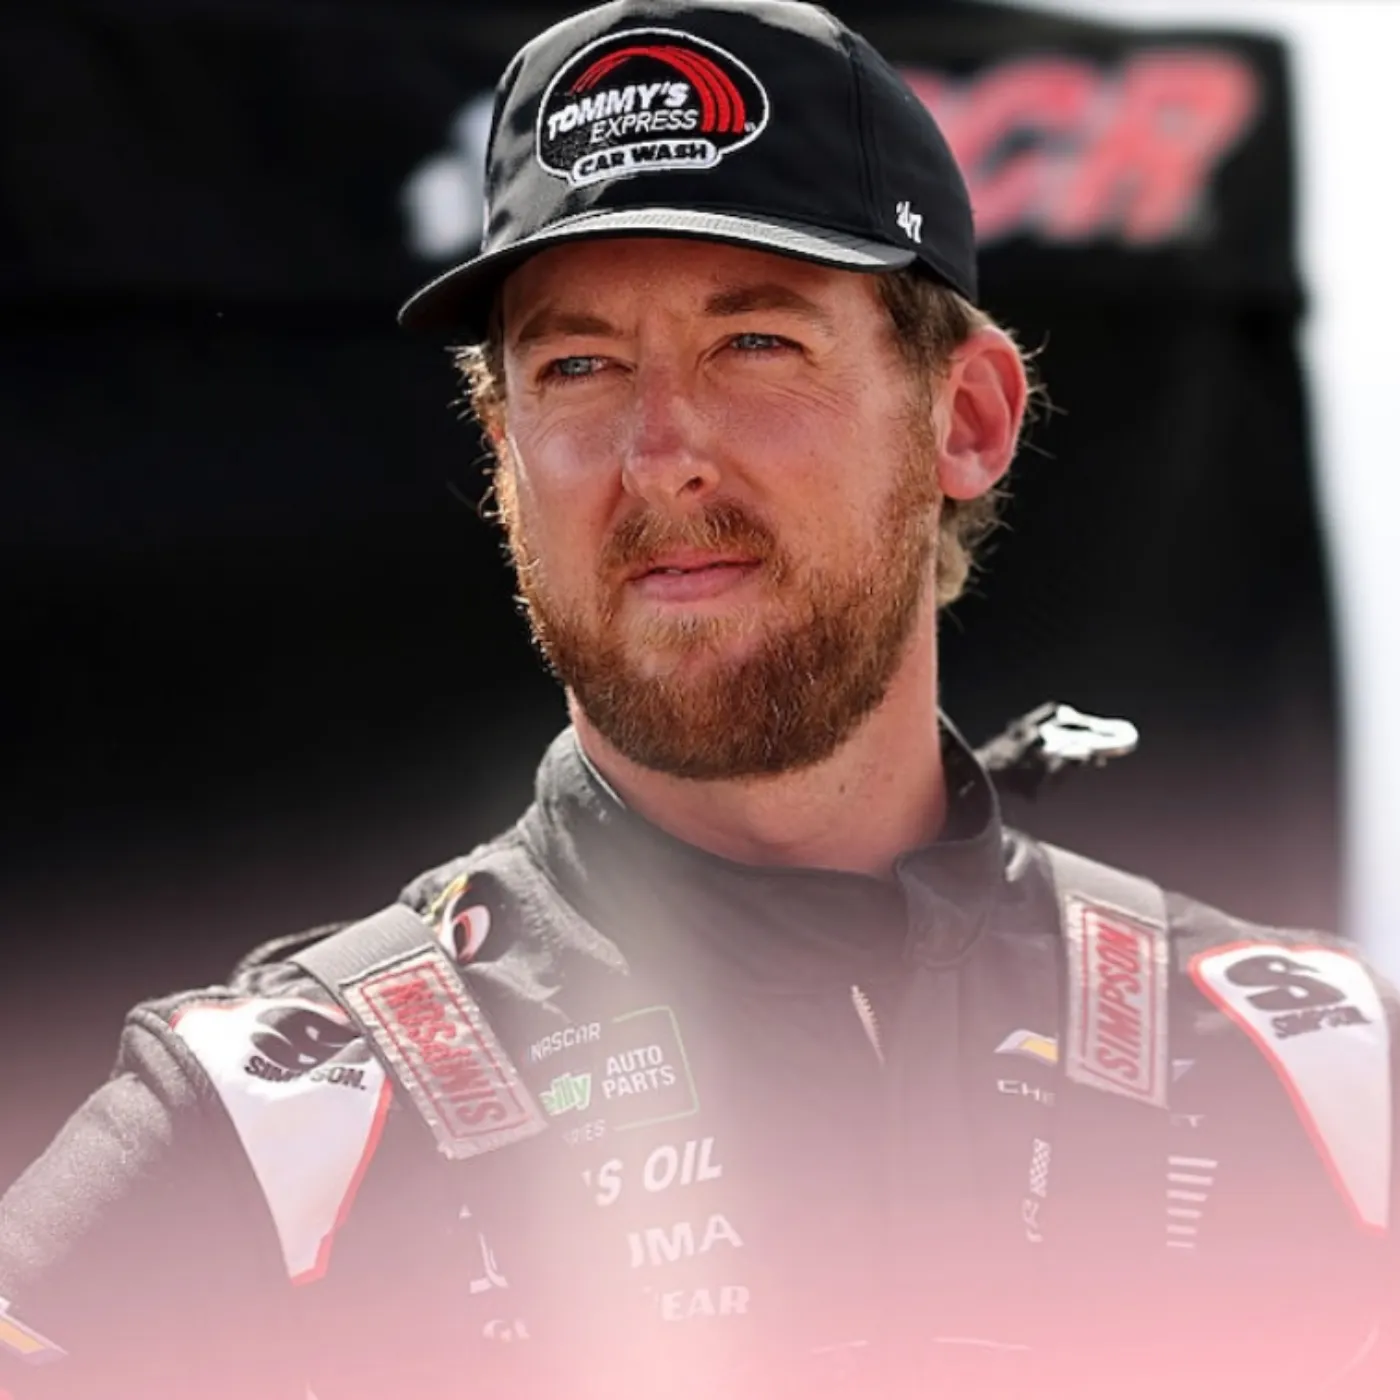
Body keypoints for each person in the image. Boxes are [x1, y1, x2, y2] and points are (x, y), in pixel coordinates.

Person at [0, 0, 1394, 1396]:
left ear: (966, 418)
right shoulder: (278, 1119)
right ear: (503, 454)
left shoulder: (1316, 1073)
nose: (660, 455)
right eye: (578, 367)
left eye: (757, 344)